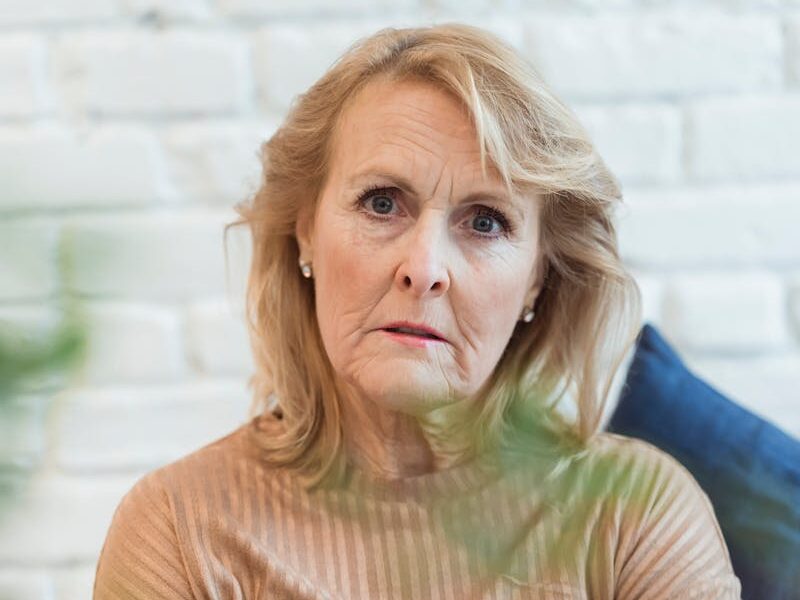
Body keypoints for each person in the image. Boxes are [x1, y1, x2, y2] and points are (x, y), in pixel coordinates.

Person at [93, 23, 742, 599]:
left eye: (485, 221)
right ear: (305, 233)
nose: (424, 268)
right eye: (382, 203)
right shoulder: (181, 529)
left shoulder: (638, 517)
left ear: (537, 280)